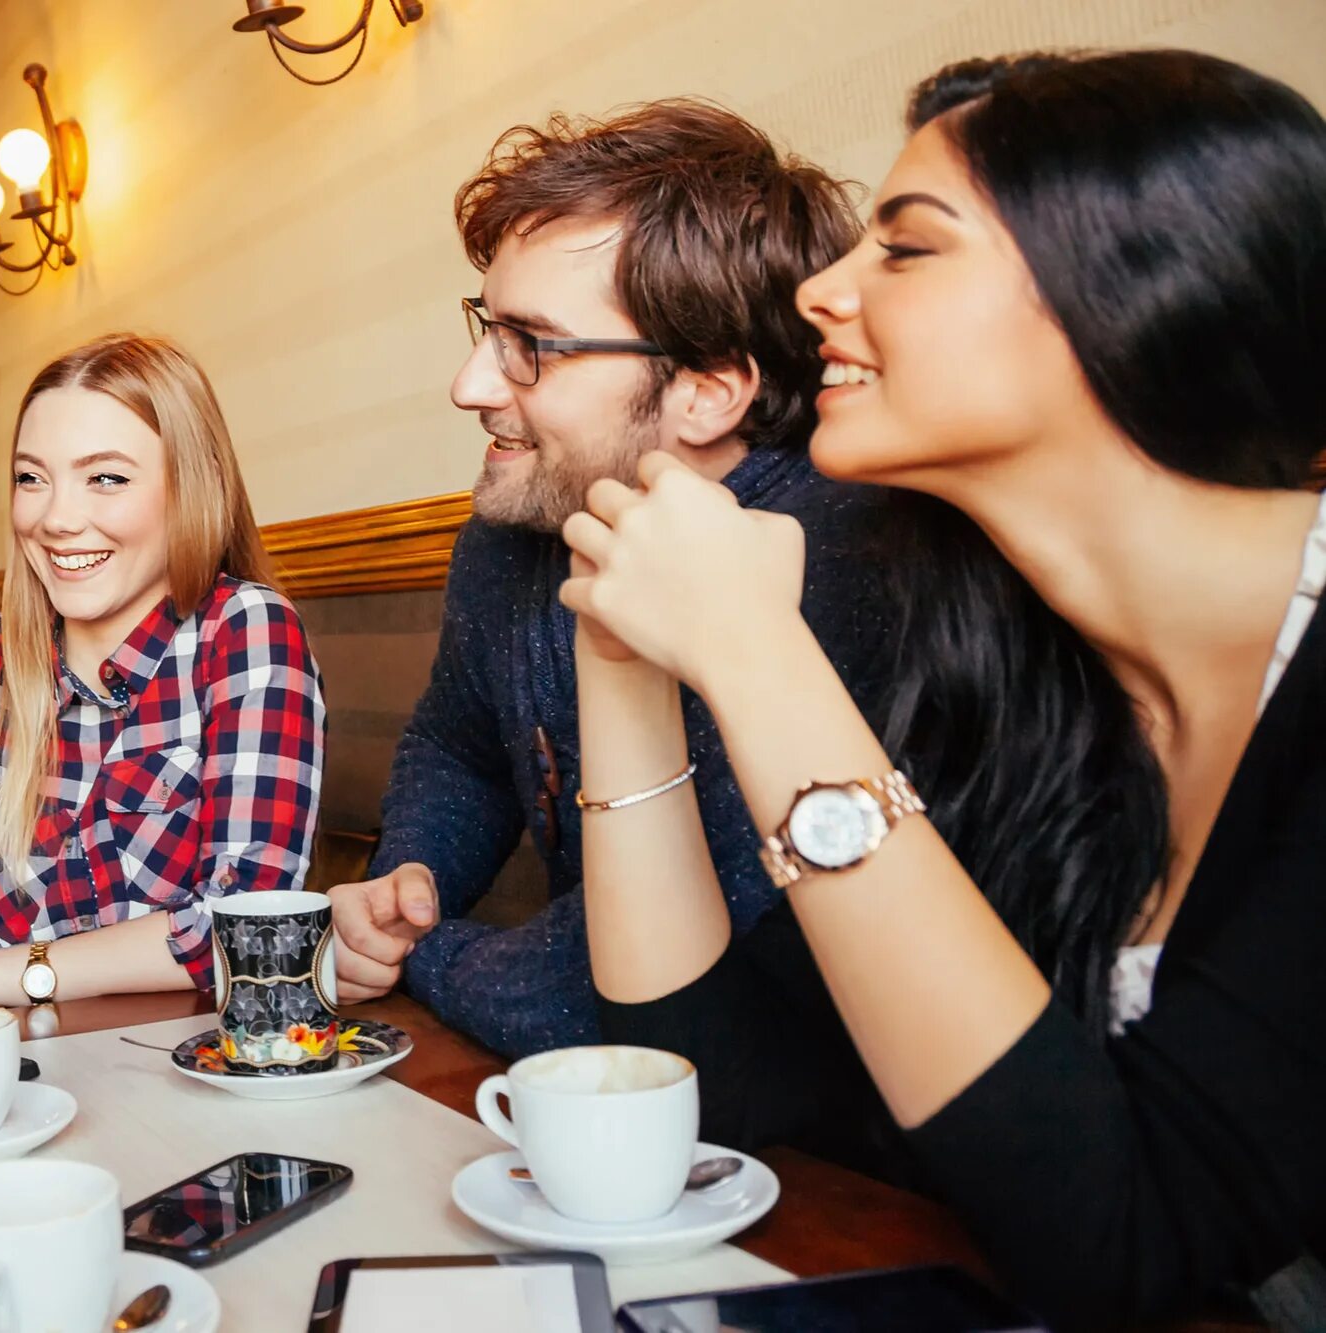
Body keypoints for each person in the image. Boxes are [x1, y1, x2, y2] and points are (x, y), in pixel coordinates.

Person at [560, 51, 1326, 1328]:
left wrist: (755, 652)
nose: (818, 292)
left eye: (905, 251)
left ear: (1142, 288)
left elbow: (1124, 1243)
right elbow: (714, 1080)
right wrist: (627, 662)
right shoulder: (1009, 664)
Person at [319, 101, 883, 1058]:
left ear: (708, 390)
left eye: (530, 344)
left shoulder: (835, 565)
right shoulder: (511, 533)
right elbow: (458, 742)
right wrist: (404, 887)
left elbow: (605, 1000)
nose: (471, 385)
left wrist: (427, 956)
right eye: (486, 329)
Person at [0, 334, 326, 1011]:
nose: (57, 519)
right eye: (31, 478)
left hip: (202, 1081)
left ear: (191, 486)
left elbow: (248, 925)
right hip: (21, 1089)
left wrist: (1, 975)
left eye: (106, 478)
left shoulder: (241, 633)